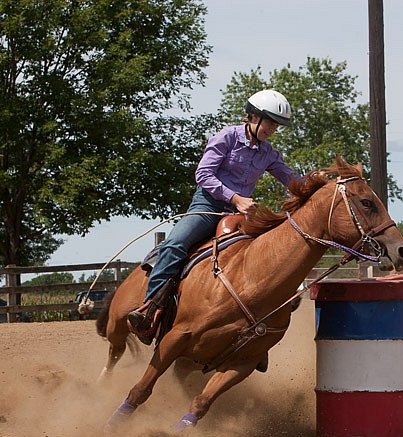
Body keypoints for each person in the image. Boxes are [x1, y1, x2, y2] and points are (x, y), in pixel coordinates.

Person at [127, 89, 302, 344]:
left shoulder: (268, 153)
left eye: (277, 125)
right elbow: (204, 175)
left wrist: (317, 186)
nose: (273, 129)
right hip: (208, 207)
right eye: (270, 122)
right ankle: (150, 309)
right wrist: (235, 198)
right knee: (175, 244)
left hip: (240, 215)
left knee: (270, 251)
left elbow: (291, 178)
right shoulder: (227, 138)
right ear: (253, 117)